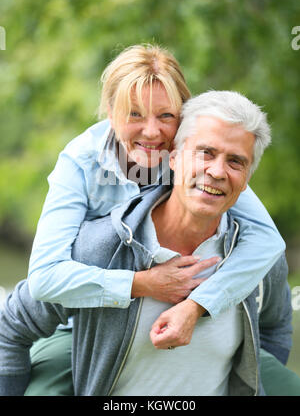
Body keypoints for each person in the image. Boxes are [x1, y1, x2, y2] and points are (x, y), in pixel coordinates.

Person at [24, 45, 285, 395]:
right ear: (111, 114)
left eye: (165, 116)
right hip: (84, 321)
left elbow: (268, 241)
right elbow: (43, 277)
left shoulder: (203, 162)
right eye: (135, 114)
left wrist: (197, 305)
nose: (152, 132)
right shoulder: (81, 161)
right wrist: (144, 283)